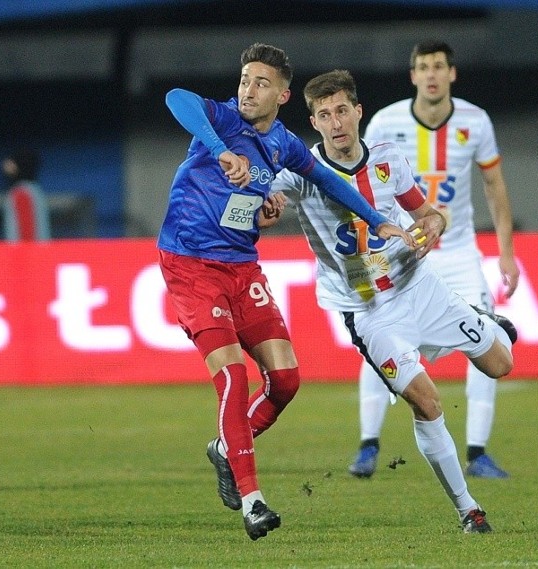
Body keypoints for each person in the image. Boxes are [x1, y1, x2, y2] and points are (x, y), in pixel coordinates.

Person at [157, 44, 407, 541]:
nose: (248, 89)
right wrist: (219, 148)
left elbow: (333, 184)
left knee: (287, 380)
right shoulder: (223, 121)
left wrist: (378, 219)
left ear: (283, 94)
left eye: (261, 83)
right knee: (232, 375)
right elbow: (176, 97)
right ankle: (253, 502)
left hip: (242, 268)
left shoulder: (286, 145)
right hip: (189, 265)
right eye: (245, 79)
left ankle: (227, 448)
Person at [268, 69, 514, 533]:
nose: (336, 122)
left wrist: (435, 226)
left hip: (420, 287)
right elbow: (267, 206)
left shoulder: (387, 159)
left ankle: (481, 323)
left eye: (342, 110)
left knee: (501, 365)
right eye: (324, 114)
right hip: (370, 313)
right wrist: (264, 205)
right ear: (314, 122)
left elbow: (427, 213)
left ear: (358, 113)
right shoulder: (300, 175)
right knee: (428, 401)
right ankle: (468, 509)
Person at [350, 39, 520, 479]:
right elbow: (361, 187)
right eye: (422, 67)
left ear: (451, 74)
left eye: (438, 66)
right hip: (400, 255)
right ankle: (368, 446)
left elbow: (494, 186)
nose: (430, 74)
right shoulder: (385, 122)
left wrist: (506, 252)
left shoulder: (474, 121)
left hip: (458, 252)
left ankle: (478, 451)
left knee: (487, 340)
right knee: (379, 341)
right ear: (413, 76)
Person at [2, 148, 51, 241]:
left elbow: (27, 231)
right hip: (36, 252)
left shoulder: (21, 191)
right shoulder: (35, 190)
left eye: (11, 163)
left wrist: (24, 254)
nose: (6, 167)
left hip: (26, 253)